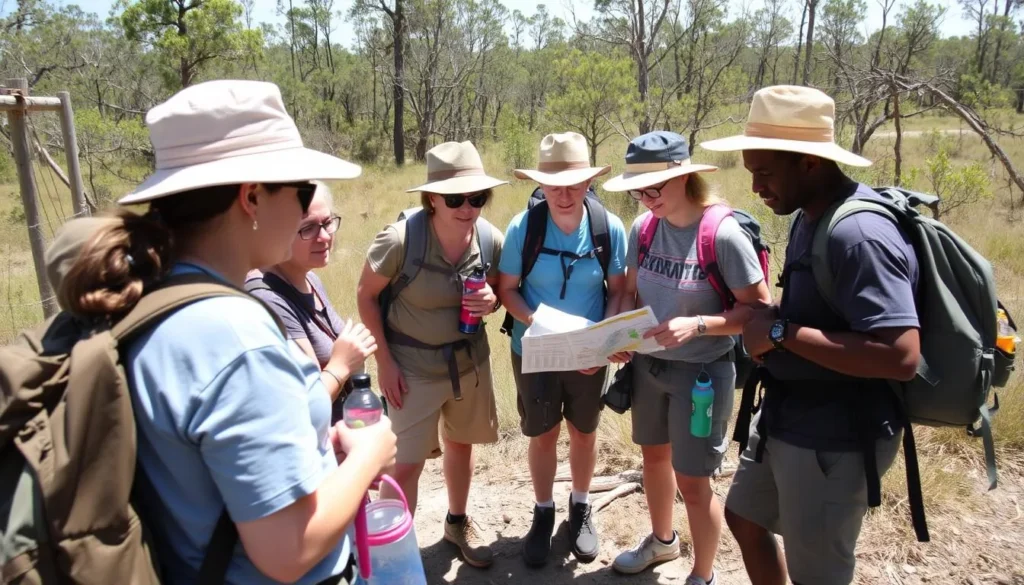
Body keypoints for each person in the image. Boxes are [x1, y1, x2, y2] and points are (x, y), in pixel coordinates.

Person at [59, 79, 397, 585]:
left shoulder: (155, 295)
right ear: (253, 197)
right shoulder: (236, 340)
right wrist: (369, 456)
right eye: (302, 191)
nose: (309, 212)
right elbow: (290, 548)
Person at [700, 85, 920, 585]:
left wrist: (778, 330)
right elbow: (817, 310)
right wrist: (773, 320)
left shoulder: (858, 234)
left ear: (810, 164)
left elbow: (900, 354)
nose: (756, 188)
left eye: (765, 173)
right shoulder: (810, 217)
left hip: (836, 436)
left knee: (817, 571)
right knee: (745, 517)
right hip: (790, 416)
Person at [601, 131, 772, 584]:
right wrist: (615, 335)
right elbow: (632, 291)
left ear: (685, 176)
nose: (644, 198)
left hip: (701, 374)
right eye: (637, 189)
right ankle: (662, 542)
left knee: (694, 481)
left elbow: (759, 313)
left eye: (654, 187)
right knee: (653, 461)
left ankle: (703, 573)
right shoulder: (645, 228)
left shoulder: (724, 234)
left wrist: (698, 324)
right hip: (649, 367)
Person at [356, 141, 506, 569]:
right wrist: (384, 361)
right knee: (406, 465)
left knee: (461, 446)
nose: (467, 208)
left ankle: (457, 523)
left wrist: (492, 301)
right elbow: (366, 296)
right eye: (455, 198)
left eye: (477, 198)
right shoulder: (401, 239)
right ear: (432, 198)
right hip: (411, 366)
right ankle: (390, 554)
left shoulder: (489, 238)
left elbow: (497, 289)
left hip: (468, 362)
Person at [497, 131, 628, 567]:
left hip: (589, 353)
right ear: (540, 184)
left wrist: (600, 343)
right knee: (542, 432)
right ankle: (543, 512)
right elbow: (508, 292)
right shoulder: (524, 227)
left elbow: (619, 290)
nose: (565, 193)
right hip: (534, 350)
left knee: (584, 432)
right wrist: (543, 325)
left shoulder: (608, 227)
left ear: (589, 182)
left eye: (575, 183)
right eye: (555, 184)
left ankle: (580, 506)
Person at [247, 181, 376, 423]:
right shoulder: (268, 299)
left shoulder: (310, 279)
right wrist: (343, 362)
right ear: (277, 230)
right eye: (308, 228)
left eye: (327, 222)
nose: (325, 236)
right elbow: (306, 402)